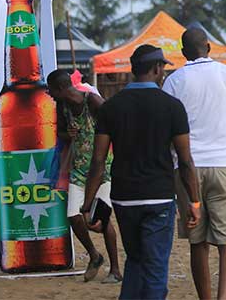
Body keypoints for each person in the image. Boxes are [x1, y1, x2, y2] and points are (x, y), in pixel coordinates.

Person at [81, 44, 201, 300]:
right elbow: (185, 160)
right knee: (155, 267)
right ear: (157, 68)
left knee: (135, 260)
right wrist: (194, 201)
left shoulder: (111, 107)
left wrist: (87, 204)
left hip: (124, 198)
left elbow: (98, 160)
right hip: (159, 196)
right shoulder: (172, 106)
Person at [162, 29, 226, 300]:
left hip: (187, 168)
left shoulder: (174, 80)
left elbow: (166, 131)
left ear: (183, 52)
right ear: (209, 48)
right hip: (225, 165)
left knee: (197, 242)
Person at [46, 70, 121, 283]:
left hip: (103, 169)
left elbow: (114, 124)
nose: (50, 95)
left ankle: (115, 270)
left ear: (61, 88)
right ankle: (94, 256)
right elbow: (60, 133)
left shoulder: (92, 101)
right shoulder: (63, 106)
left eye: (51, 90)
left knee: (101, 219)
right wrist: (67, 134)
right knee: (73, 216)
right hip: (79, 168)